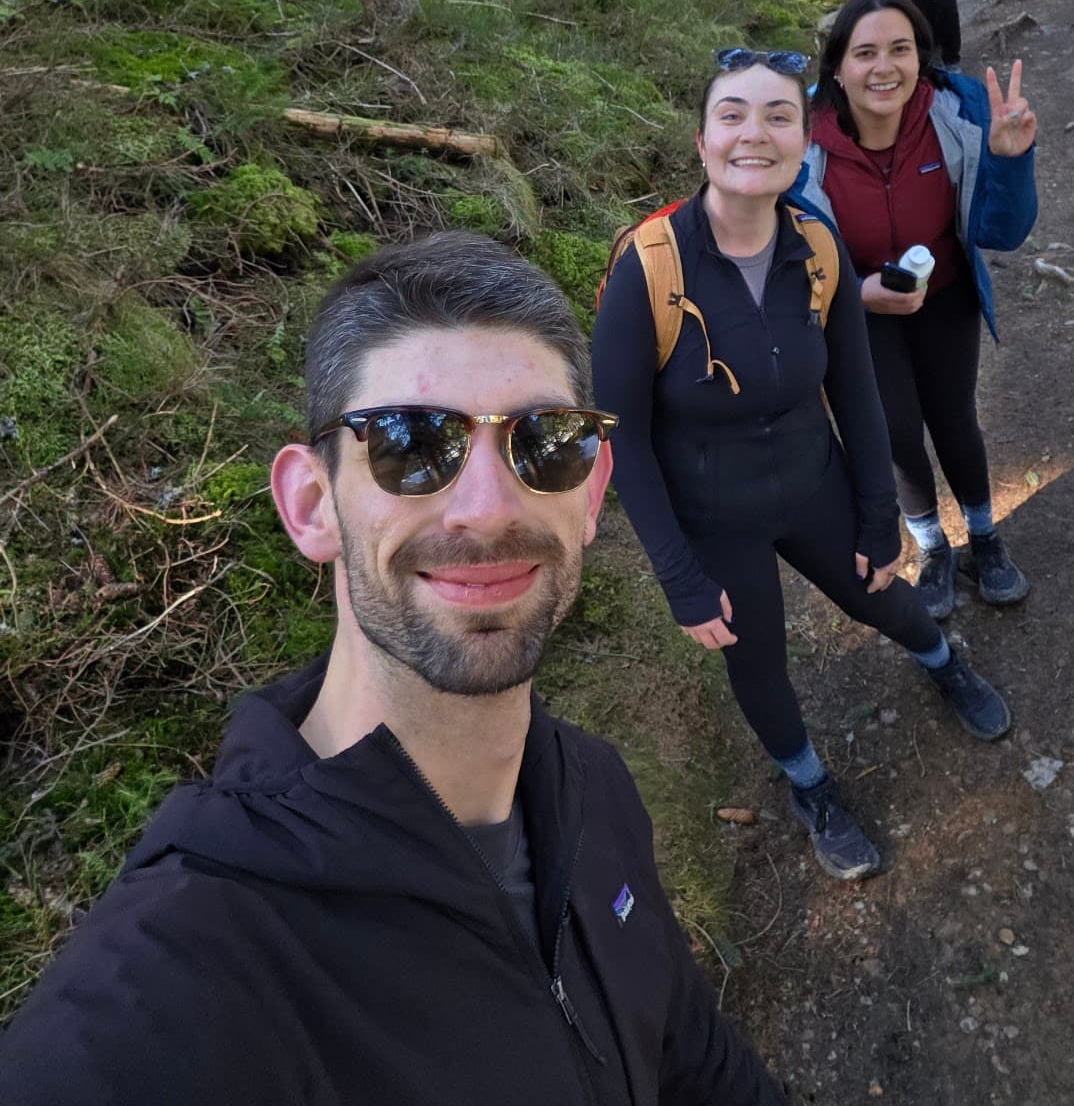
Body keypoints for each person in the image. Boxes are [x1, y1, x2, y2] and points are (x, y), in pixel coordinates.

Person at [1, 233, 787, 1106]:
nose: (488, 512)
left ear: (591, 493)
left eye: (544, 443)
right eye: (413, 444)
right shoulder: (177, 978)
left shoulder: (591, 788)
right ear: (312, 505)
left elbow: (689, 1052)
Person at [592, 47, 1011, 885]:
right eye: (734, 114)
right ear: (703, 140)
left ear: (802, 137)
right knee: (758, 661)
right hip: (714, 516)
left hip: (812, 478)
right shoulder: (649, 266)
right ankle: (810, 787)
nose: (756, 133)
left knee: (886, 598)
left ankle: (945, 665)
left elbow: (857, 391)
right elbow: (621, 438)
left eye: (779, 115)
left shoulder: (814, 245)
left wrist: (874, 514)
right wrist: (677, 573)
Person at [791, 0, 1038, 622]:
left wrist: (1011, 162)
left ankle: (983, 536)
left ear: (919, 60)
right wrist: (853, 293)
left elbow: (1002, 233)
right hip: (859, 310)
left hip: (946, 295)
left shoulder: (955, 116)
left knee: (954, 419)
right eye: (865, 52)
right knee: (896, 435)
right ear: (838, 68)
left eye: (900, 49)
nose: (884, 67)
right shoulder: (802, 146)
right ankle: (934, 550)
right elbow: (790, 259)